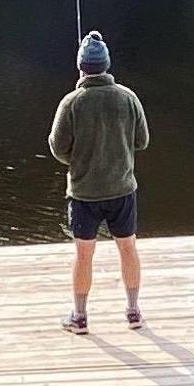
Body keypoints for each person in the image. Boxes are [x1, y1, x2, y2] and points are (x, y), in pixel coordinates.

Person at [48, 29, 148, 333]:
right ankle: (133, 312)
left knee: (83, 254)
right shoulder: (128, 98)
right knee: (128, 247)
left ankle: (79, 318)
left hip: (83, 194)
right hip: (122, 190)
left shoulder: (71, 102)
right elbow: (141, 141)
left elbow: (56, 147)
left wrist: (79, 161)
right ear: (106, 65)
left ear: (81, 67)